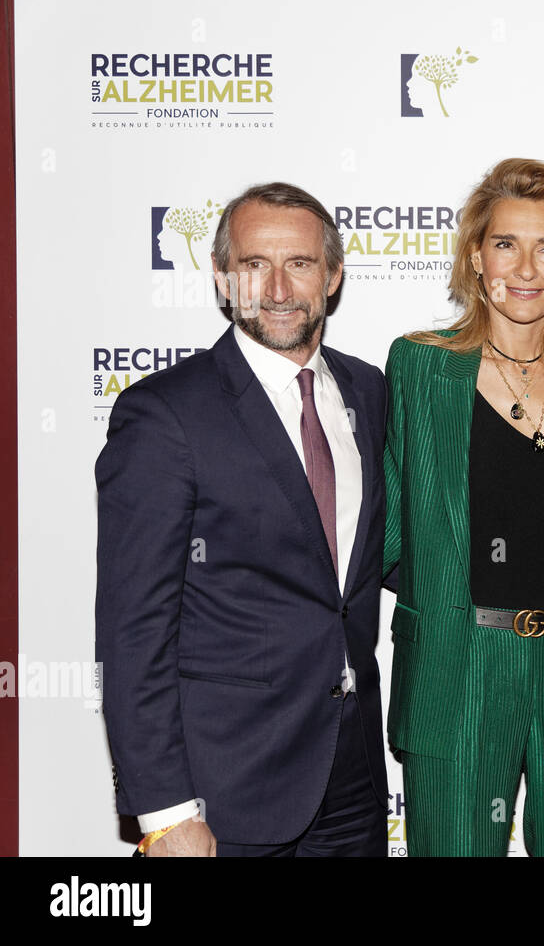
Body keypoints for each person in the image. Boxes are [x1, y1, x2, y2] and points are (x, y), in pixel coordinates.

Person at [95, 182, 389, 856]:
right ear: (226, 279)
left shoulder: (369, 392)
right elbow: (133, 627)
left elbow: (383, 557)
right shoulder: (166, 414)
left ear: (334, 276)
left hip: (353, 786)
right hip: (225, 791)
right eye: (256, 264)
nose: (279, 288)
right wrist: (165, 813)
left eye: (302, 264)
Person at [383, 158, 544, 856]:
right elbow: (386, 528)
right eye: (506, 244)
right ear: (475, 256)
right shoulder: (421, 367)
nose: (526, 267)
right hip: (460, 663)